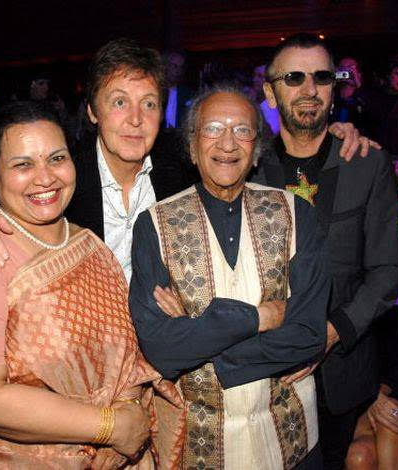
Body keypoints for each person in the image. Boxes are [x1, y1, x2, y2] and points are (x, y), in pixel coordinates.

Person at [0, 38, 369, 278]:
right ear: (92, 111)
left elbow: (248, 157)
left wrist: (326, 136)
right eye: (119, 102)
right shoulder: (60, 171)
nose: (135, 119)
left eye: (148, 104)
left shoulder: (182, 161)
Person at [0, 101, 182, 468]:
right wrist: (110, 427)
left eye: (57, 158)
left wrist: (127, 406)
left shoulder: (87, 243)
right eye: (22, 165)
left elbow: (123, 351)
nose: (45, 178)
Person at [129, 86, 331, 469]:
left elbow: (308, 334)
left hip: (293, 443)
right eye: (213, 129)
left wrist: (200, 344)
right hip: (198, 451)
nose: (227, 143)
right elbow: (161, 349)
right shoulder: (153, 226)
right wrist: (262, 318)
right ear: (192, 146)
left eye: (242, 130)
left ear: (256, 150)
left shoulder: (296, 214)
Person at [251, 33, 398, 470]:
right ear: (270, 92)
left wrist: (332, 332)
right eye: (293, 78)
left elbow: (389, 270)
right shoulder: (247, 167)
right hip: (265, 376)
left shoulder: (367, 162)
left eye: (321, 77)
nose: (309, 89)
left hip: (345, 375)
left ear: (334, 89)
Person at [345, 306, 398, 470]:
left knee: (391, 413)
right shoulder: (321, 311)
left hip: (385, 391)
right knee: (359, 456)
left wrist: (377, 394)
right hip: (342, 402)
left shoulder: (385, 311)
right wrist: (369, 395)